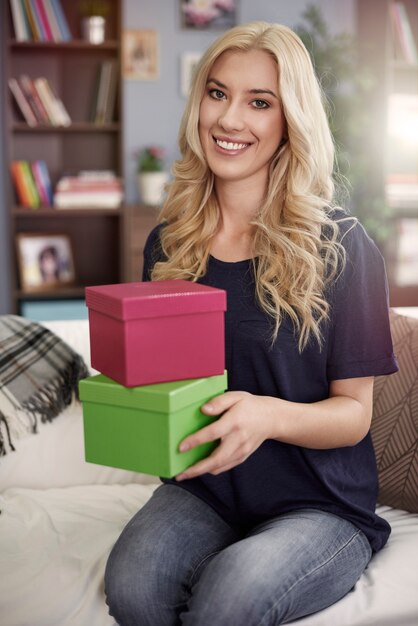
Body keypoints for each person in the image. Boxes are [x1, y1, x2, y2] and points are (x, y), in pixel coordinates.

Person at [104, 21, 398, 625]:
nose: (229, 120)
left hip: (320, 505)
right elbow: (168, 386)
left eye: (258, 102)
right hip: (207, 490)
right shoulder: (169, 243)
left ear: (289, 121)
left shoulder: (342, 246)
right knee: (133, 588)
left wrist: (265, 415)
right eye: (217, 93)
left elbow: (355, 415)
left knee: (230, 598)